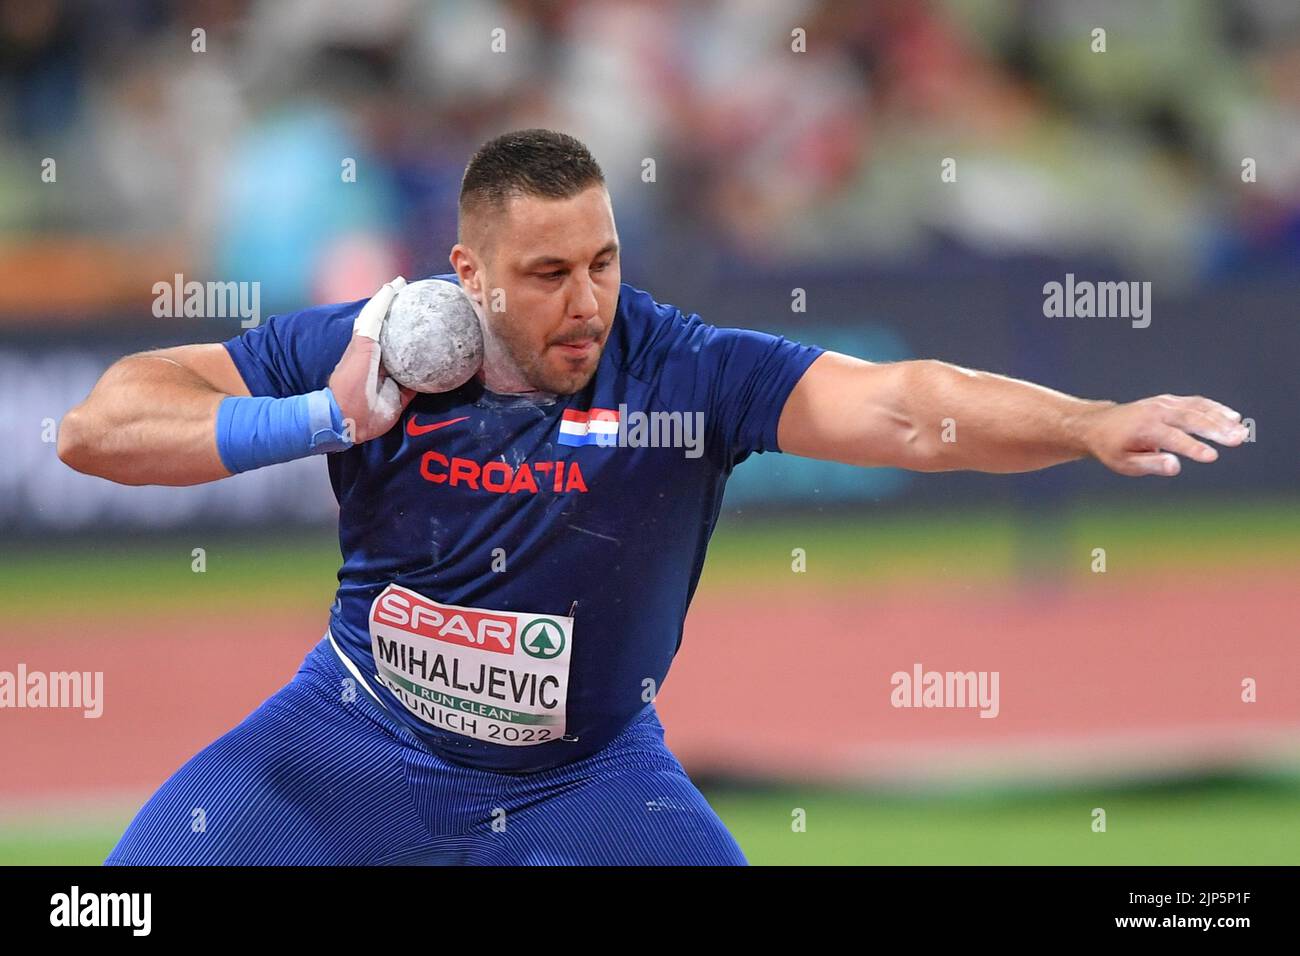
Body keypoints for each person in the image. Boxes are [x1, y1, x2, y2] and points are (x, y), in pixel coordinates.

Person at [58, 129, 1247, 865]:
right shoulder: (378, 349)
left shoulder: (683, 368)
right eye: (547, 273)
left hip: (585, 777)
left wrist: (1088, 423)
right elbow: (96, 427)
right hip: (350, 733)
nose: (587, 302)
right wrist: (326, 416)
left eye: (603, 262)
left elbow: (902, 404)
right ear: (467, 274)